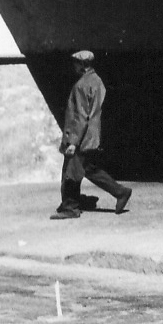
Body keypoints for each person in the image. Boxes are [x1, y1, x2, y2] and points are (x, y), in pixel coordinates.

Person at [52, 50, 131, 220]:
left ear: (82, 65)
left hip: (81, 138)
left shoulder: (81, 85)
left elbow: (81, 116)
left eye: (75, 63)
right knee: (88, 169)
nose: (73, 66)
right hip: (91, 136)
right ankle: (120, 192)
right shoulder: (97, 81)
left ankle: (71, 207)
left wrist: (73, 142)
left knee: (71, 172)